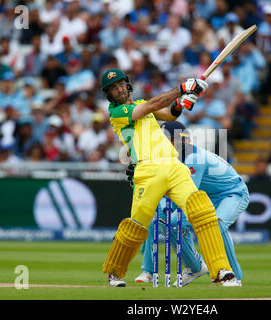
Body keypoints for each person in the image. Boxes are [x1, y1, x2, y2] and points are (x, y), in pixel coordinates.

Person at [100, 68, 239, 287]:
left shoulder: (141, 105)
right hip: (148, 171)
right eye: (113, 88)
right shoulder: (117, 113)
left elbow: (170, 114)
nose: (118, 89)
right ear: (109, 94)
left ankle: (221, 270)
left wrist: (187, 100)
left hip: (174, 165)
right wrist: (183, 88)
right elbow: (152, 106)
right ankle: (115, 272)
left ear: (128, 84)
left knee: (202, 210)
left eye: (120, 84)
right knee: (135, 226)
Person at [130, 121, 249, 287]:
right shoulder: (170, 160)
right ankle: (195, 266)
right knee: (172, 225)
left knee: (216, 224)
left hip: (232, 193)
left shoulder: (194, 159)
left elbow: (186, 194)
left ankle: (233, 276)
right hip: (205, 197)